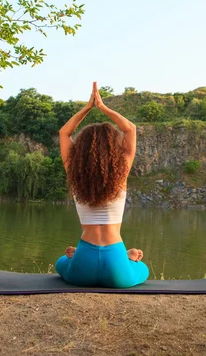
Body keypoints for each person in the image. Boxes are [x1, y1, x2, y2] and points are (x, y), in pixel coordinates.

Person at [55, 81, 149, 288]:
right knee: (143, 269)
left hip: (83, 264)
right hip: (116, 265)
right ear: (114, 151)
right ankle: (127, 257)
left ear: (80, 151)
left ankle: (76, 256)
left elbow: (64, 133)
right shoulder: (120, 174)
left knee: (61, 263)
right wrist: (103, 107)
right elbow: (130, 129)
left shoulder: (75, 172)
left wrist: (87, 108)